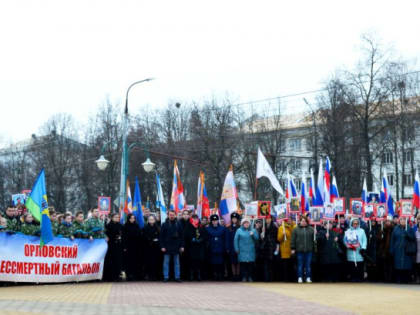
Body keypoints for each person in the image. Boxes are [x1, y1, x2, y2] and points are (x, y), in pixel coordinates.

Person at [160, 210, 184, 282]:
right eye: (170, 215)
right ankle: (166, 277)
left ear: (175, 215)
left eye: (173, 215)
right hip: (167, 247)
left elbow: (182, 236)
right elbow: (161, 237)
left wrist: (182, 246)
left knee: (177, 263)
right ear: (168, 215)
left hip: (176, 246)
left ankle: (177, 277)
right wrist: (162, 246)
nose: (172, 216)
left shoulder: (179, 224)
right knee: (166, 263)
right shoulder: (164, 224)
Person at [390, 217, 416, 283]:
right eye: (401, 219)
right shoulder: (396, 229)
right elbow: (392, 240)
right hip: (398, 249)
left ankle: (405, 279)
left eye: (404, 219)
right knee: (397, 265)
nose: (402, 221)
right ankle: (398, 279)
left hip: (406, 250)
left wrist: (407, 234)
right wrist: (392, 249)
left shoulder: (409, 228)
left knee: (406, 265)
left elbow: (413, 238)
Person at [234, 217, 259, 282]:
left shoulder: (253, 230)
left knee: (250, 265)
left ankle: (250, 276)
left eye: (247, 223)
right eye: (245, 223)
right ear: (242, 224)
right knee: (243, 265)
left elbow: (257, 239)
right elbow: (236, 240)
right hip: (242, 251)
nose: (246, 224)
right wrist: (236, 248)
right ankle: (244, 277)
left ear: (249, 223)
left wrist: (253, 234)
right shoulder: (239, 230)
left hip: (250, 251)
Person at [184, 214, 208, 281]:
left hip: (199, 247)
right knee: (191, 261)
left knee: (199, 262)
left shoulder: (201, 226)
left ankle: (198, 275)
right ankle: (191, 275)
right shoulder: (188, 226)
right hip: (191, 247)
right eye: (194, 219)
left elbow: (205, 236)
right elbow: (186, 235)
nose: (195, 220)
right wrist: (191, 239)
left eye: (196, 219)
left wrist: (200, 240)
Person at [291, 215, 314, 283]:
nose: (304, 222)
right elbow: (293, 239)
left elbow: (314, 239)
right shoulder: (296, 229)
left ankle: (308, 277)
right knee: (300, 265)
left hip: (309, 250)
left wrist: (315, 233)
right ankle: (300, 277)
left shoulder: (311, 229)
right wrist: (293, 248)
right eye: (302, 221)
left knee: (308, 265)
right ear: (300, 221)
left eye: (305, 221)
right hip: (299, 250)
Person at [344, 218, 367, 282]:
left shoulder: (362, 231)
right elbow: (345, 240)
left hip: (359, 252)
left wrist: (363, 248)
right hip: (351, 251)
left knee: (359, 265)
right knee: (352, 266)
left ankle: (359, 278)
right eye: (354, 223)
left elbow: (364, 240)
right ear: (351, 223)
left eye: (357, 223)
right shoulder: (348, 231)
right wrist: (348, 246)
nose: (355, 225)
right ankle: (352, 277)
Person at [206, 214, 228, 281]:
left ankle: (220, 275)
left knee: (220, 262)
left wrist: (226, 247)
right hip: (212, 248)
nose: (214, 222)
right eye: (213, 221)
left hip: (220, 248)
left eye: (216, 220)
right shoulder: (207, 228)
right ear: (211, 221)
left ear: (218, 221)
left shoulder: (223, 228)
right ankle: (214, 275)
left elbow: (225, 239)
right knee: (213, 263)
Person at [103, 213, 123, 282]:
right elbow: (107, 235)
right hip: (111, 246)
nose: (117, 218)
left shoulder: (120, 225)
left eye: (118, 217)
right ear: (112, 218)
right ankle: (110, 276)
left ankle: (117, 275)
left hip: (118, 246)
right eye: (115, 217)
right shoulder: (109, 225)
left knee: (118, 261)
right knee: (111, 261)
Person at [258, 215, 278, 282]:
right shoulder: (262, 227)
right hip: (265, 248)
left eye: (269, 219)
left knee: (271, 264)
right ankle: (266, 278)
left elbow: (275, 238)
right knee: (265, 264)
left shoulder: (274, 227)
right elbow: (260, 238)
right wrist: (262, 234)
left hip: (272, 247)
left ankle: (271, 278)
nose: (268, 220)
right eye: (266, 219)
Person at [122, 213, 142, 281]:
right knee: (128, 261)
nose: (132, 219)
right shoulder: (125, 226)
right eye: (131, 218)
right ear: (128, 219)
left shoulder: (137, 226)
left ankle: (135, 275)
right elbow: (124, 237)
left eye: (133, 218)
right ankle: (128, 275)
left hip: (136, 246)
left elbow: (139, 235)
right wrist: (124, 247)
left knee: (135, 261)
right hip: (128, 246)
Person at [143, 215, 161, 281]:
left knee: (156, 262)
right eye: (150, 219)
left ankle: (156, 275)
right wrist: (150, 240)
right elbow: (144, 237)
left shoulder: (158, 228)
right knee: (148, 262)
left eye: (152, 219)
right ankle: (149, 275)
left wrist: (157, 240)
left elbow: (160, 236)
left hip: (156, 248)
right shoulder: (145, 228)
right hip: (148, 248)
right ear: (148, 220)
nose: (151, 220)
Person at [377, 216, 394, 282]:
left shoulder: (393, 229)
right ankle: (385, 278)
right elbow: (379, 240)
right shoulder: (382, 229)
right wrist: (381, 234)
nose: (388, 222)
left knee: (390, 265)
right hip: (383, 250)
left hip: (390, 249)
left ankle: (390, 278)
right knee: (384, 265)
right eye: (386, 221)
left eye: (389, 221)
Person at [226, 212, 241, 281]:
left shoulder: (240, 227)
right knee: (232, 262)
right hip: (231, 247)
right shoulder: (229, 227)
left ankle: (238, 275)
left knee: (238, 262)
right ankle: (234, 275)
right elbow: (227, 239)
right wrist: (228, 248)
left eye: (235, 219)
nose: (234, 220)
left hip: (238, 247)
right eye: (233, 219)